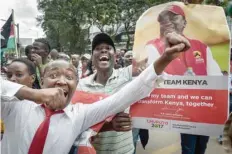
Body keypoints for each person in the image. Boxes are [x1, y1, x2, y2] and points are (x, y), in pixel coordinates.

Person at [1, 31, 190, 154]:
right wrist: (33, 95)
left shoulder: (80, 114)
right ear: (41, 81)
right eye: (53, 75)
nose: (61, 81)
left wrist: (165, 58)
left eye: (69, 76)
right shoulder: (15, 108)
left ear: (76, 84)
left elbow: (126, 95)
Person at [145, 4, 222, 154]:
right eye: (164, 19)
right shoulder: (152, 47)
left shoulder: (201, 47)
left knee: (202, 147)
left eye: (174, 17)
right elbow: (150, 78)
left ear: (184, 23)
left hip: (204, 110)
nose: (168, 21)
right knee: (188, 147)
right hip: (181, 112)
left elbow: (216, 78)